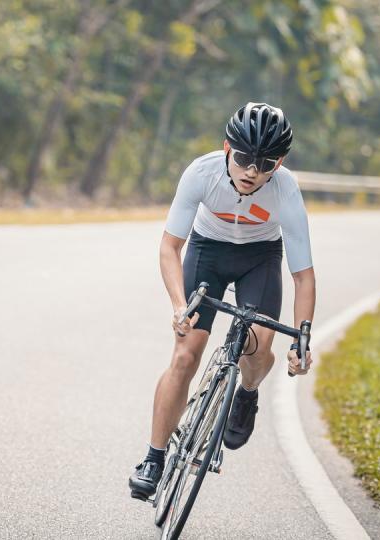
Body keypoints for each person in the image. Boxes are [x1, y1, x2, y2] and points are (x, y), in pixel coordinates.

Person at [129, 102, 316, 500]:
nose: (251, 171)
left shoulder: (286, 192)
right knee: (185, 355)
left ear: (278, 164)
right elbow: (170, 247)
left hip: (260, 260)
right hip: (207, 254)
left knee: (259, 346)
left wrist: (302, 338)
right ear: (227, 149)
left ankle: (247, 391)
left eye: (264, 163)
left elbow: (303, 275)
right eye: (244, 158)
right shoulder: (201, 173)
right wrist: (180, 307)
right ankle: (153, 457)